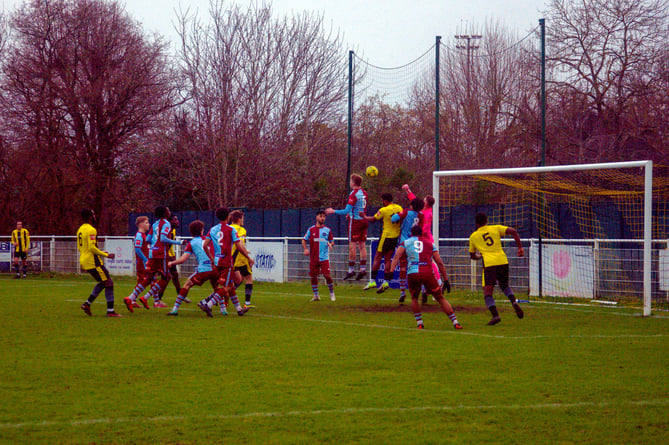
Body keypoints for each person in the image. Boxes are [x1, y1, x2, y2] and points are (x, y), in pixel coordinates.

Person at [390, 226, 461, 330]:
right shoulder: (430, 244)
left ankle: (420, 323)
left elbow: (397, 256)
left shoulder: (405, 243)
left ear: (411, 234)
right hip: (427, 273)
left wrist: (391, 271)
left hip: (413, 273)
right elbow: (440, 263)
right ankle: (455, 322)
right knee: (440, 297)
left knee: (414, 298)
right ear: (421, 234)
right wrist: (445, 279)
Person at [468, 212, 525, 325]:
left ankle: (495, 315)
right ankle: (513, 302)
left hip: (489, 264)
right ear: (486, 221)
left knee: (487, 291)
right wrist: (520, 248)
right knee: (504, 285)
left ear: (476, 223)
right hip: (503, 260)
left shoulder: (473, 236)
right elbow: (513, 231)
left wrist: (480, 256)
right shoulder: (496, 228)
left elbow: (472, 256)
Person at [198, 207, 254, 317]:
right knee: (226, 287)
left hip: (217, 261)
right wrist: (248, 257)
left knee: (231, 285)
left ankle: (239, 309)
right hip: (227, 262)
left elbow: (205, 245)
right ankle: (208, 304)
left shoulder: (213, 229)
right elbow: (239, 246)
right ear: (228, 217)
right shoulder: (231, 230)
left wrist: (211, 258)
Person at [124, 206, 181, 312]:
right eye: (168, 210)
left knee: (149, 278)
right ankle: (145, 298)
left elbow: (149, 239)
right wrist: (178, 242)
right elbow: (163, 238)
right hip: (160, 254)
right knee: (166, 277)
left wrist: (155, 244)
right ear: (164, 213)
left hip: (152, 253)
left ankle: (130, 298)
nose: (169, 212)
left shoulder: (154, 224)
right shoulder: (166, 223)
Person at [167, 220, 219, 316]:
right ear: (202, 230)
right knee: (218, 289)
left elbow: (183, 259)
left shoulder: (192, 243)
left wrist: (171, 263)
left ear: (191, 232)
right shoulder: (210, 240)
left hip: (203, 270)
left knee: (187, 285)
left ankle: (174, 309)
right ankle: (223, 311)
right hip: (215, 269)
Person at [77, 209, 121, 317]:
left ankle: (87, 304)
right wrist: (106, 255)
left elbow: (82, 247)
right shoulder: (91, 230)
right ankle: (110, 311)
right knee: (109, 283)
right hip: (93, 261)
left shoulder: (80, 229)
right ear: (90, 217)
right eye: (93, 214)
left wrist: (100, 252)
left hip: (84, 259)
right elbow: (92, 248)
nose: (94, 216)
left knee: (103, 282)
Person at [325, 173, 369, 280]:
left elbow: (346, 210)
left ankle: (351, 270)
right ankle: (363, 269)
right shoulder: (364, 192)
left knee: (352, 246)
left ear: (353, 183)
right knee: (362, 246)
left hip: (356, 222)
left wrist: (333, 211)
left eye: (350, 181)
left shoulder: (353, 194)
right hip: (364, 220)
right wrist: (352, 212)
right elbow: (360, 207)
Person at [402, 184, 441, 303]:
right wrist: (408, 191)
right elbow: (415, 201)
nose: (422, 201)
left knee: (429, 263)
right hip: (420, 240)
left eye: (424, 200)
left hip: (425, 240)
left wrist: (415, 233)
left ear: (427, 203)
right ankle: (424, 290)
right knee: (420, 265)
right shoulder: (423, 211)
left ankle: (438, 284)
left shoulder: (427, 214)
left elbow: (424, 228)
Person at [359, 192, 402, 293]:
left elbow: (373, 219)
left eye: (382, 200)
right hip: (395, 236)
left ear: (385, 201)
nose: (382, 202)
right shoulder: (399, 208)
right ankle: (386, 282)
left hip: (386, 236)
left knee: (377, 257)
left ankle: (373, 281)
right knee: (388, 259)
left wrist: (364, 216)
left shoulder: (384, 210)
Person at [391, 198, 425, 302]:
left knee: (403, 267)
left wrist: (396, 216)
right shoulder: (421, 215)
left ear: (411, 205)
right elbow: (421, 228)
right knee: (418, 267)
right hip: (416, 243)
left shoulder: (406, 212)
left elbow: (393, 219)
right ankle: (423, 289)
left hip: (404, 242)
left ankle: (402, 292)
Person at [302, 210, 336, 301]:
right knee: (313, 276)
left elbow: (332, 241)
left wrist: (330, 244)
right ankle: (316, 295)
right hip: (313, 258)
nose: (322, 218)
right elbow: (304, 239)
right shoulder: (311, 229)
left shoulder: (327, 230)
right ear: (316, 217)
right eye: (321, 216)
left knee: (327, 275)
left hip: (324, 258)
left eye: (324, 217)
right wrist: (305, 249)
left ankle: (332, 293)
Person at [230, 210, 254, 307]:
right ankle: (247, 303)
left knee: (237, 280)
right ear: (239, 219)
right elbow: (239, 243)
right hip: (240, 257)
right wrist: (248, 256)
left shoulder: (227, 228)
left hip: (229, 257)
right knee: (248, 278)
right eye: (242, 218)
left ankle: (224, 295)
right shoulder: (240, 230)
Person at [159, 214, 183, 302]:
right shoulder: (169, 231)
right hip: (166, 256)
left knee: (174, 275)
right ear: (170, 222)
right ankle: (157, 297)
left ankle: (180, 295)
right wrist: (169, 256)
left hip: (170, 255)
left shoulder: (172, 230)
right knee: (167, 277)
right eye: (175, 220)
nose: (177, 221)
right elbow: (165, 243)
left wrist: (172, 255)